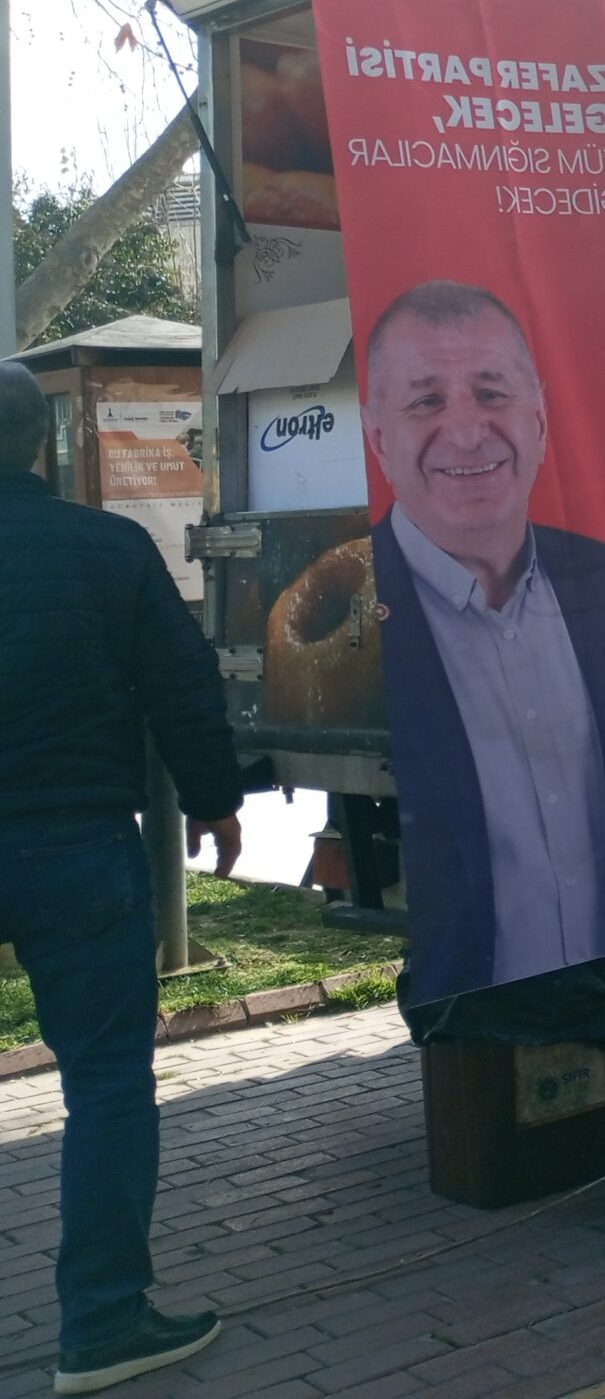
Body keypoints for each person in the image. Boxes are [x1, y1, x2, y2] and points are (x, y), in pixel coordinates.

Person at [363, 281, 605, 1004]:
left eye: (491, 393)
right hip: (471, 1026)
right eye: (427, 401)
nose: (468, 431)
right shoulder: (364, 612)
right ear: (378, 439)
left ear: (539, 419)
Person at [0, 360, 239, 1392]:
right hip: (77, 845)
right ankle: (101, 1324)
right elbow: (181, 682)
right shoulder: (107, 547)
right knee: (104, 1082)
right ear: (44, 443)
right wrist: (216, 798)